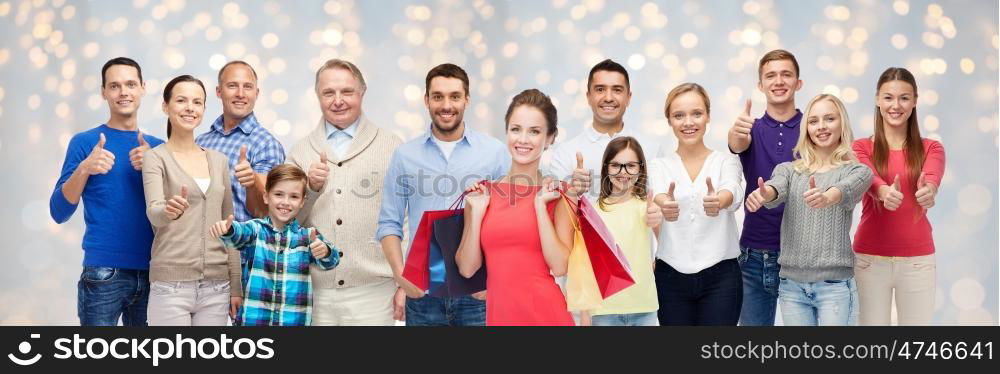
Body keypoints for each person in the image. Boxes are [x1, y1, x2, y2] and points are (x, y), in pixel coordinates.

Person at [376, 63, 509, 326]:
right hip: (424, 296)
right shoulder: (405, 156)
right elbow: (389, 223)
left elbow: (508, 223)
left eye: (454, 96)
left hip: (478, 294)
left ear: (467, 100)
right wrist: (401, 277)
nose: (446, 105)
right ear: (426, 100)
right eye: (438, 96)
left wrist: (496, 280)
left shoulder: (495, 153)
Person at [49, 57, 164, 326]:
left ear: (143, 88)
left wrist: (154, 165)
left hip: (155, 273)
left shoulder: (159, 148)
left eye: (130, 84)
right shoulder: (85, 143)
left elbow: (176, 213)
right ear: (103, 92)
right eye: (114, 86)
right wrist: (85, 168)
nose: (123, 92)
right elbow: (58, 211)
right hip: (103, 273)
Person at [287, 59, 403, 326]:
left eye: (347, 92)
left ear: (362, 93)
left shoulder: (391, 145)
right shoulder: (300, 151)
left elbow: (405, 218)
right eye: (329, 93)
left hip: (375, 290)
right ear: (318, 96)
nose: (338, 100)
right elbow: (287, 223)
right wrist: (311, 190)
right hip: (318, 292)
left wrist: (403, 281)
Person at [745, 94, 872, 326]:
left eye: (829, 119)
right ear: (806, 129)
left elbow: (846, 189)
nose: (821, 127)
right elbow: (777, 187)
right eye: (813, 121)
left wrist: (827, 196)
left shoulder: (857, 171)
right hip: (792, 286)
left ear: (841, 123)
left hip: (834, 286)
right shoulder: (789, 170)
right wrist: (766, 193)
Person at [456, 89, 575, 326]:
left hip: (547, 317)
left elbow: (560, 266)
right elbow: (467, 269)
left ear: (550, 138)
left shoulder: (558, 195)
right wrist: (478, 213)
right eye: (516, 129)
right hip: (500, 318)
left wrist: (540, 206)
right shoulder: (481, 194)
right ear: (507, 132)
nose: (522, 139)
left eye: (534, 131)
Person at [142, 75, 241, 326]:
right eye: (181, 100)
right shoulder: (155, 158)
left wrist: (236, 285)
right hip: (171, 286)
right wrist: (168, 210)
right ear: (166, 106)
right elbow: (153, 212)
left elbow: (230, 226)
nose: (190, 108)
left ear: (204, 109)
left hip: (217, 288)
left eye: (197, 102)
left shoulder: (219, 161)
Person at [852, 67, 945, 325]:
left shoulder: (932, 148)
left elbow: (933, 176)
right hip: (869, 261)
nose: (896, 105)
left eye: (904, 98)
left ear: (915, 101)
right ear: (877, 100)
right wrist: (883, 191)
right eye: (888, 97)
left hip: (918, 263)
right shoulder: (860, 147)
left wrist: (929, 191)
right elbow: (866, 175)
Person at [196, 60, 285, 324]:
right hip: (203, 260)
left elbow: (268, 213)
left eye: (248, 87)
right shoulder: (201, 142)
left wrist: (253, 183)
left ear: (257, 93)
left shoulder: (266, 144)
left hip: (248, 264)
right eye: (232, 85)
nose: (240, 93)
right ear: (218, 91)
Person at [650, 83, 745, 325]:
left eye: (696, 113)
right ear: (669, 121)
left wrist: (719, 201)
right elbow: (659, 194)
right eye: (678, 115)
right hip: (670, 275)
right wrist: (664, 204)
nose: (688, 122)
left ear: (708, 117)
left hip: (722, 275)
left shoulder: (726, 161)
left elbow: (732, 191)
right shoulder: (658, 165)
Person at [727, 49, 805, 326]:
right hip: (754, 257)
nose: (779, 81)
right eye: (770, 76)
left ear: (799, 82)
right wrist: (735, 133)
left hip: (803, 256)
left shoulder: (814, 129)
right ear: (761, 86)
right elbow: (737, 144)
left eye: (786, 74)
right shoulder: (750, 129)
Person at [212, 164, 341, 326]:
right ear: (266, 197)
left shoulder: (308, 237)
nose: (286, 202)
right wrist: (228, 229)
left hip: (294, 321)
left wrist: (325, 251)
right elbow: (238, 235)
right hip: (254, 322)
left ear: (302, 202)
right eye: (279, 194)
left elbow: (333, 260)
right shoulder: (256, 229)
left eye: (294, 197)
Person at [545, 59, 663, 199]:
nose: (608, 98)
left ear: (628, 97)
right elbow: (556, 212)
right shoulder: (565, 154)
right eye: (600, 89)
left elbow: (660, 207)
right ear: (588, 97)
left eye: (617, 90)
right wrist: (572, 191)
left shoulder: (652, 150)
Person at [583, 136, 660, 326]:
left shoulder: (647, 207)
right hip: (604, 311)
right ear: (606, 168)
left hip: (644, 309)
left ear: (641, 169)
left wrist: (658, 222)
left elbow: (668, 251)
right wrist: (585, 313)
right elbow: (585, 265)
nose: (623, 172)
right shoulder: (592, 211)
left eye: (631, 166)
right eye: (616, 165)